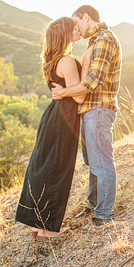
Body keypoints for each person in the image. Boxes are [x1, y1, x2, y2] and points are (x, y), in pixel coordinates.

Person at [14, 17, 84, 240]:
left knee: (45, 167)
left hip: (54, 115)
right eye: (73, 28)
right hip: (64, 118)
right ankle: (49, 229)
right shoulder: (67, 60)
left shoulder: (53, 60)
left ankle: (39, 225)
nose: (78, 29)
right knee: (57, 168)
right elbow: (80, 96)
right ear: (64, 33)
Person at [52, 5, 122, 229]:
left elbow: (93, 82)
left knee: (102, 163)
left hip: (99, 109)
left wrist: (63, 92)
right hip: (90, 110)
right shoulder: (93, 42)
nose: (76, 28)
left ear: (86, 17)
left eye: (76, 22)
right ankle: (93, 204)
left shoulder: (104, 39)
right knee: (93, 162)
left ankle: (104, 214)